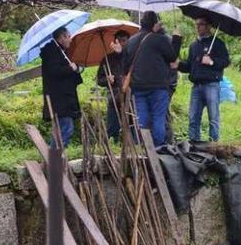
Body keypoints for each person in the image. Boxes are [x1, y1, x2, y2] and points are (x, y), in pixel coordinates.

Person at [121, 11, 178, 146]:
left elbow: (125, 65)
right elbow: (173, 57)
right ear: (155, 23)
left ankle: (142, 146)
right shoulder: (161, 38)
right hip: (158, 86)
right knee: (158, 118)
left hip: (138, 86)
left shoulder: (131, 41)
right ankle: (158, 148)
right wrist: (175, 38)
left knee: (141, 118)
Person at [178, 17, 230, 142]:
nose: (198, 27)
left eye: (201, 24)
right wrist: (178, 65)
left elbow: (226, 61)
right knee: (193, 118)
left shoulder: (218, 43)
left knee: (213, 118)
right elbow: (190, 66)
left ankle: (213, 145)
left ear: (209, 26)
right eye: (196, 24)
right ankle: (194, 145)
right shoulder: (194, 45)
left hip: (211, 85)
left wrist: (212, 62)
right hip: (196, 86)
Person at [40, 26, 83, 148]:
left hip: (65, 99)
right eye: (68, 37)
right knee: (66, 129)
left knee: (61, 131)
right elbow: (54, 71)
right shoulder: (51, 52)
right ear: (61, 38)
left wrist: (76, 69)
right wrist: (70, 68)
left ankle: (54, 160)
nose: (70, 39)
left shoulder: (62, 52)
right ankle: (55, 160)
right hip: (59, 100)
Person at [96, 30, 130, 141]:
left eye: (124, 40)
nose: (121, 43)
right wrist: (107, 79)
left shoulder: (131, 55)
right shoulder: (107, 59)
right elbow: (99, 80)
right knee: (112, 127)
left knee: (131, 126)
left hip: (130, 94)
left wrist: (121, 53)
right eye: (118, 40)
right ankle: (112, 143)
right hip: (114, 95)